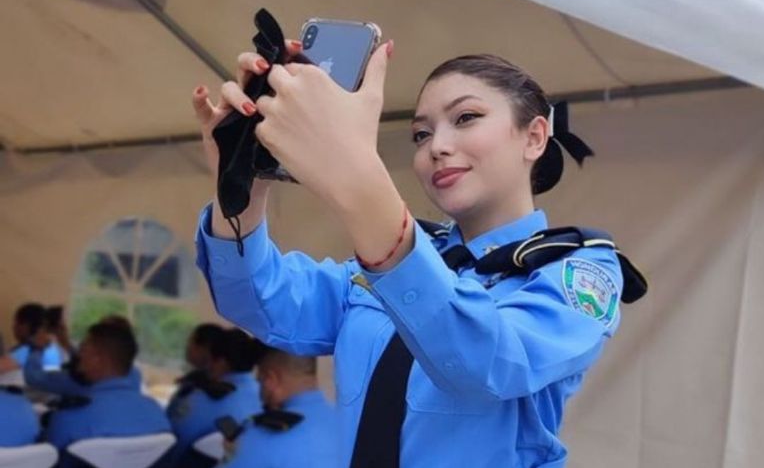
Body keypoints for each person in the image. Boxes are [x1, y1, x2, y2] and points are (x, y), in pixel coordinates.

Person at [192, 39, 642, 467]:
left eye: (465, 117)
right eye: (421, 134)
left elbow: (486, 363)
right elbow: (260, 301)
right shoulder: (397, 260)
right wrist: (241, 189)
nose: (437, 147)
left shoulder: (576, 269)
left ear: (534, 136)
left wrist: (358, 177)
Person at [44, 321, 170, 468]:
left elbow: (51, 461)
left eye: (84, 348)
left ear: (98, 359)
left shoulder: (70, 416)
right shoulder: (157, 413)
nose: (79, 354)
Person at [219, 349, 339, 468]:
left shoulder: (262, 436)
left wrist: (230, 455)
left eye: (260, 381)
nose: (260, 393)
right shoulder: (346, 424)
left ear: (271, 380)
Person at [167, 328, 262, 466]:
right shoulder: (265, 397)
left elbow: (171, 444)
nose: (208, 367)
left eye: (210, 360)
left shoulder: (201, 400)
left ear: (221, 362)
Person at [23, 314, 142, 396]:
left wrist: (40, 349)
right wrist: (66, 344)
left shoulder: (83, 377)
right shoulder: (134, 375)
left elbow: (36, 378)